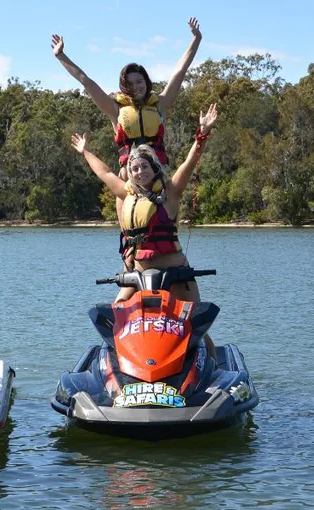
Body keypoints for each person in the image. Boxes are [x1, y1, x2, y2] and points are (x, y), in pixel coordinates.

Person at [71, 105, 219, 357]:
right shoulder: (126, 193)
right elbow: (104, 172)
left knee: (195, 328)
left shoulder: (170, 192)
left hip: (176, 274)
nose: (139, 172)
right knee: (115, 317)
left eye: (144, 167)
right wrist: (85, 151)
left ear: (154, 167)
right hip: (139, 274)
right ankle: (122, 366)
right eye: (135, 168)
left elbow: (190, 161)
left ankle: (212, 368)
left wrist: (202, 133)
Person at [52, 18, 203, 220]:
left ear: (146, 82)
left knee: (164, 228)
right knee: (130, 233)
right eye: (130, 84)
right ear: (123, 86)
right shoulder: (115, 109)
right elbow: (85, 80)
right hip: (127, 179)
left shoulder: (160, 104)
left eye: (139, 81)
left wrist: (196, 39)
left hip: (158, 177)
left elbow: (180, 71)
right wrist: (61, 55)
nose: (136, 87)